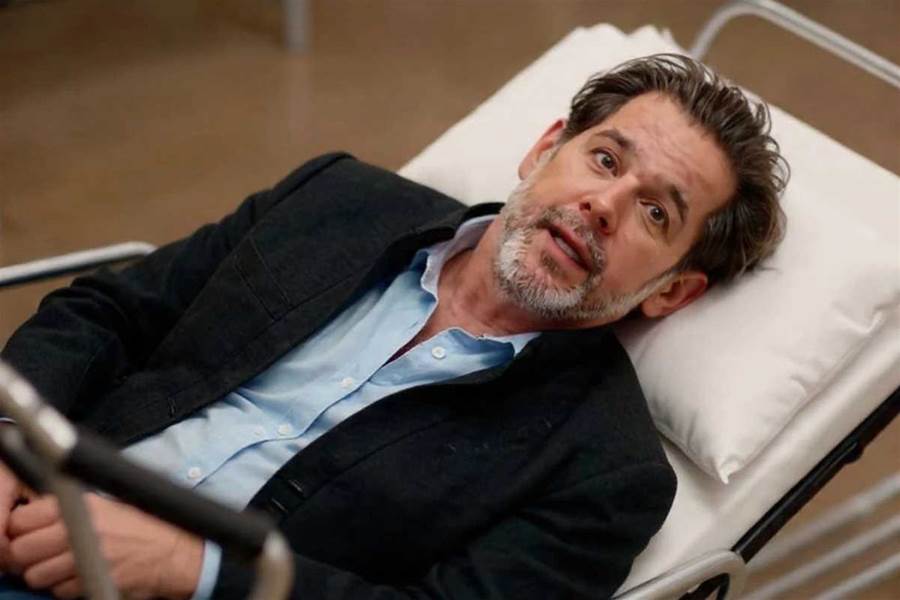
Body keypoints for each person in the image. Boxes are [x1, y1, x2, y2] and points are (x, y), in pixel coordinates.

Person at [0, 54, 787, 599]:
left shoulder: (603, 473)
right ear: (546, 148)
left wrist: (197, 569)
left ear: (672, 292)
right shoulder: (336, 199)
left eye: (656, 213)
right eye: (606, 160)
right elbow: (107, 313)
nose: (604, 206)